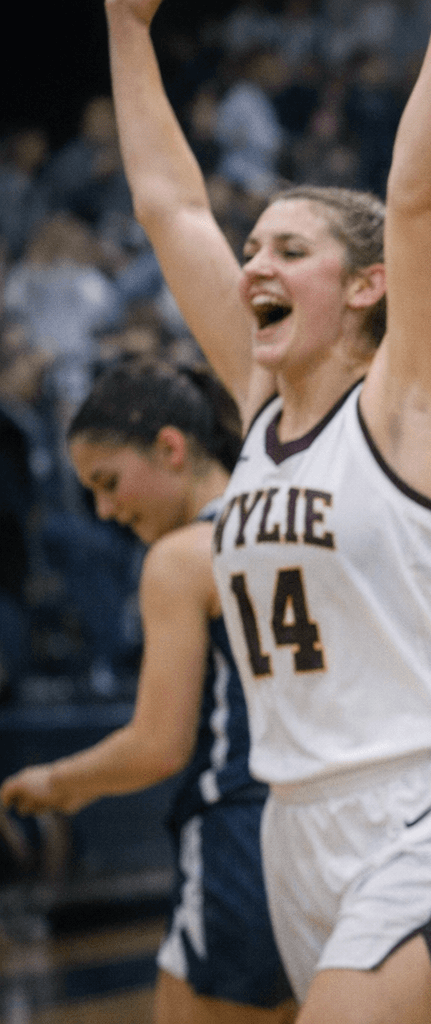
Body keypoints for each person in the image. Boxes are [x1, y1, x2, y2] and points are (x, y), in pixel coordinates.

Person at [104, 0, 431, 1020]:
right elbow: (171, 206)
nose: (253, 265)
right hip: (295, 821)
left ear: (366, 288)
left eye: (287, 251)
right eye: (253, 247)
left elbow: (415, 198)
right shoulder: (263, 409)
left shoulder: (412, 407)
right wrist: (127, 30)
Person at [1, 357, 295, 1024]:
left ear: (171, 447)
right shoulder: (291, 522)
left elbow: (157, 746)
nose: (105, 510)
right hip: (334, 826)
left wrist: (55, 781)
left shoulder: (180, 558)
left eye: (108, 483)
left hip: (239, 830)